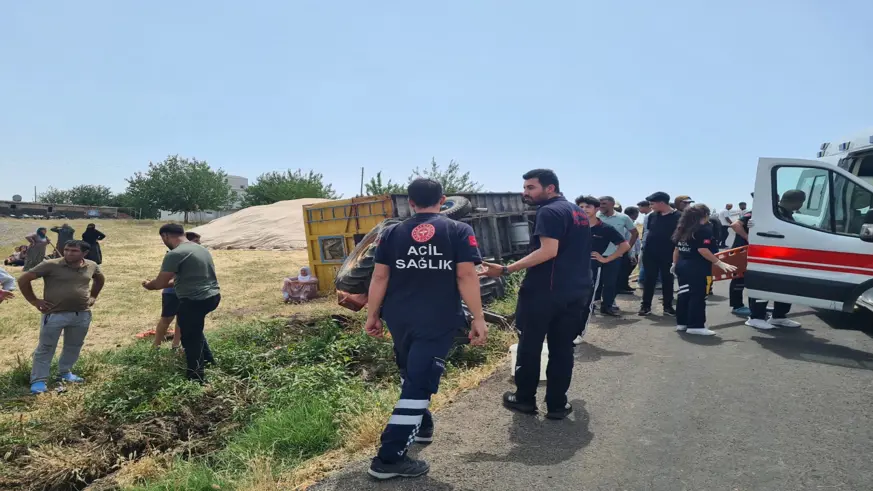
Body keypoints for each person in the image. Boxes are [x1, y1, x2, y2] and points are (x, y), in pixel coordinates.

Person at [364, 178, 486, 480]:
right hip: (437, 318)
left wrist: (372, 315)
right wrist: (478, 318)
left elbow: (379, 278)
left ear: (410, 203)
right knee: (419, 382)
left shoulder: (391, 233)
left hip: (400, 316)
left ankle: (422, 426)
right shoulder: (458, 230)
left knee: (412, 372)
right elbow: (466, 276)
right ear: (442, 200)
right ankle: (389, 459)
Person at [481, 169, 590, 421]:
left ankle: (524, 400)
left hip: (544, 292)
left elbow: (548, 251)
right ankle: (557, 405)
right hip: (575, 291)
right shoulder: (578, 212)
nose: (525, 193)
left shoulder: (549, 212)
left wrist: (507, 269)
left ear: (550, 188)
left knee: (530, 347)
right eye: (525, 188)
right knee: (562, 349)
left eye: (531, 188)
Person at [17, 240, 105, 394]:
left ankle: (65, 373)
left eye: (74, 251)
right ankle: (39, 381)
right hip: (54, 314)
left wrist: (93, 296)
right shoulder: (51, 265)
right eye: (66, 250)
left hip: (81, 314)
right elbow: (23, 279)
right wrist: (34, 300)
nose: (68, 253)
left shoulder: (91, 265)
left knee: (73, 346)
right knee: (45, 348)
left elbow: (99, 278)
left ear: (84, 253)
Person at [143, 224, 221, 382]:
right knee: (195, 329)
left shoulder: (175, 253)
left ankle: (196, 377)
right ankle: (208, 360)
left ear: (165, 236)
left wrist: (147, 284)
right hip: (213, 296)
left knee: (190, 339)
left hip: (194, 300)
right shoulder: (200, 249)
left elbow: (160, 283)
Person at [672, 205, 738, 336]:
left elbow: (676, 249)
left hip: (682, 265)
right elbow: (703, 250)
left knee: (684, 294)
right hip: (697, 267)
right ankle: (696, 325)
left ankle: (682, 323)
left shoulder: (682, 229)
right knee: (698, 295)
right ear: (705, 215)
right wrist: (719, 263)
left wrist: (674, 264)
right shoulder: (703, 230)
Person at [745, 191, 805, 330]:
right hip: (768, 257)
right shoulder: (773, 213)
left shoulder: (787, 214)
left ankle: (779, 316)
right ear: (797, 201)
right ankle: (755, 317)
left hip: (784, 258)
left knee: (785, 287)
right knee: (763, 286)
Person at [575, 195, 629, 344]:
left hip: (592, 268)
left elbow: (624, 246)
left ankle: (578, 333)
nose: (584, 210)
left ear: (596, 209)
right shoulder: (573, 226)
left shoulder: (605, 228)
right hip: (571, 268)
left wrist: (606, 259)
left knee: (586, 301)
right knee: (569, 301)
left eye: (588, 207)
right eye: (581, 207)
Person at [639, 192, 680, 317]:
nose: (650, 206)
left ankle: (667, 307)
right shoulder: (652, 216)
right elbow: (647, 233)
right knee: (649, 279)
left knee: (668, 279)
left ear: (662, 203)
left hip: (669, 253)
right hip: (650, 252)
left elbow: (682, 236)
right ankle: (645, 306)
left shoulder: (679, 216)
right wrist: (643, 249)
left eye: (652, 204)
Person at [596, 196, 638, 308]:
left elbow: (634, 233)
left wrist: (628, 248)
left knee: (611, 282)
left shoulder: (623, 218)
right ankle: (594, 304)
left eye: (604, 203)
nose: (601, 206)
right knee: (596, 282)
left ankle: (608, 305)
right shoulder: (595, 216)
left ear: (612, 204)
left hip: (614, 255)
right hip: (596, 255)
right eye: (599, 203)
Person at [728, 200, 754, 317]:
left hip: (749, 251)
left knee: (747, 278)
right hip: (741, 250)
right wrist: (747, 237)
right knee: (738, 278)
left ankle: (754, 305)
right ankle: (737, 306)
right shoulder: (752, 213)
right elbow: (735, 225)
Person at [622, 206, 641, 292]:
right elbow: (629, 240)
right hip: (628, 251)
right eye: (637, 213)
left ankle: (624, 285)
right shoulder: (626, 224)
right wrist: (632, 254)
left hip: (632, 251)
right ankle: (622, 287)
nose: (638, 215)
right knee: (625, 270)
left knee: (627, 270)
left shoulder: (631, 224)